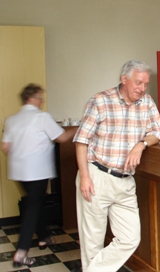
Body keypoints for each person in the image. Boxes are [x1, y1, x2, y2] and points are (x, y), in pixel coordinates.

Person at [73, 60, 160, 272]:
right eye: (138, 83)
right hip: (97, 176)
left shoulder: (147, 103)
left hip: (125, 181)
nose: (142, 88)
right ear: (124, 80)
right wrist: (85, 176)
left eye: (145, 84)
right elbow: (81, 140)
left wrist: (141, 145)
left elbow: (156, 133)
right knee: (92, 242)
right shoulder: (100, 101)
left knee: (130, 238)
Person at [1, 83, 76, 268]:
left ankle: (43, 238)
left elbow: (5, 147)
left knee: (36, 201)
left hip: (18, 172)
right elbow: (62, 138)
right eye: (40, 97)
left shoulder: (11, 120)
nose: (42, 101)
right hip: (37, 172)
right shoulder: (42, 117)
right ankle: (20, 253)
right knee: (32, 208)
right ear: (31, 99)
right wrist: (78, 127)